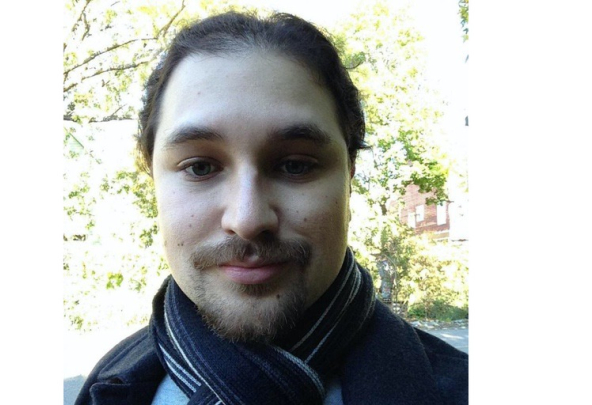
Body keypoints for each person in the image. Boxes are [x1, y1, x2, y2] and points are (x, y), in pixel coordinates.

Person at [76, 10, 467, 405]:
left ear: (349, 177)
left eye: (295, 165)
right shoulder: (105, 388)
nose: (247, 219)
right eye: (200, 167)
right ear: (153, 179)